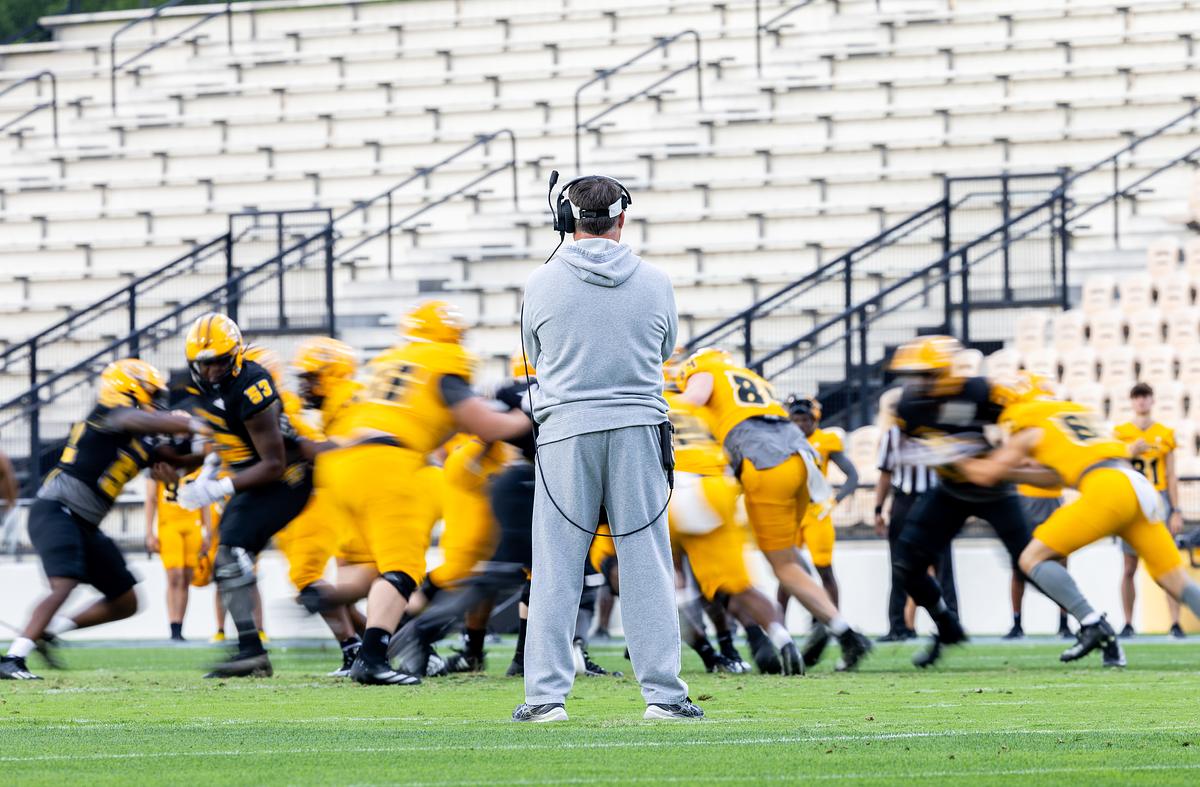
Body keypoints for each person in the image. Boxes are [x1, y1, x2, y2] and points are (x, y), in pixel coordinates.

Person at [515, 174, 699, 723]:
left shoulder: (539, 282)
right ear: (622, 219)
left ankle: (545, 698)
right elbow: (666, 347)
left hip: (566, 431)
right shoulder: (656, 280)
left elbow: (535, 351)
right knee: (646, 564)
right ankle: (664, 696)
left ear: (565, 221)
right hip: (639, 428)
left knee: (555, 568)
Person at [323, 300, 529, 686]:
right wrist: (531, 411)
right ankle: (375, 654)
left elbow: (438, 424)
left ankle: (342, 604)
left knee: (384, 565)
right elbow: (488, 426)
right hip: (389, 462)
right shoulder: (443, 361)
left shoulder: (390, 362)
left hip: (342, 461)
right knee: (402, 569)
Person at [886, 336, 1110, 668]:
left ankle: (1092, 621)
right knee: (907, 564)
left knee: (1031, 564)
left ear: (943, 372)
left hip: (994, 488)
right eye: (913, 376)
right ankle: (946, 625)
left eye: (924, 375)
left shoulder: (980, 391)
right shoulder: (908, 407)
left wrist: (1008, 453)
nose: (916, 384)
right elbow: (914, 445)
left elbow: (1030, 419)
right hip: (950, 489)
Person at [955, 391, 1200, 664]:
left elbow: (985, 474)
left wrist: (948, 459)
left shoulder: (1030, 429)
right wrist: (1009, 471)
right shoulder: (1070, 416)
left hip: (1107, 490)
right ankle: (1099, 630)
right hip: (1138, 486)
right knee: (1177, 581)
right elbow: (1056, 478)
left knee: (1030, 558)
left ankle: (1093, 623)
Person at [1, 359, 207, 680]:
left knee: (126, 600)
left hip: (84, 523)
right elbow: (135, 419)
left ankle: (48, 631)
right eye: (151, 394)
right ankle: (13, 658)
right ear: (130, 389)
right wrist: (190, 424)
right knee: (64, 583)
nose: (156, 402)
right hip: (57, 510)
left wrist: (215, 449)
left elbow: (178, 462)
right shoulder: (108, 413)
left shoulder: (141, 436)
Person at [676, 348, 873, 674]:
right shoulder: (750, 378)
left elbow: (692, 401)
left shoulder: (704, 372)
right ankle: (841, 630)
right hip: (801, 457)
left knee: (781, 564)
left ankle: (837, 630)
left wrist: (663, 406)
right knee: (789, 559)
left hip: (765, 458)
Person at [177, 313, 316, 679]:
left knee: (232, 553)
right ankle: (251, 652)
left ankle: (253, 651)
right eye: (203, 365)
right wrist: (205, 469)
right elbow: (227, 438)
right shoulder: (205, 388)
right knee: (227, 555)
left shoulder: (252, 385)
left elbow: (272, 462)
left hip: (287, 478)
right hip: (254, 478)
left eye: (219, 363)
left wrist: (217, 488)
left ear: (235, 356)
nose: (210, 372)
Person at [872, 388, 955, 642]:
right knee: (900, 565)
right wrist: (878, 509)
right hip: (906, 501)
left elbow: (952, 471)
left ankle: (949, 624)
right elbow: (885, 474)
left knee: (942, 565)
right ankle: (899, 626)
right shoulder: (893, 436)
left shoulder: (938, 433)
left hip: (933, 500)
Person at [1113, 383, 1186, 639]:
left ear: (1152, 400)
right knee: (1129, 566)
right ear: (1132, 401)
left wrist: (1176, 510)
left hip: (1159, 501)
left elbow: (1171, 474)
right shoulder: (1121, 433)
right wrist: (1128, 451)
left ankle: (1175, 623)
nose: (1141, 401)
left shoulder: (1165, 433)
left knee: (1168, 565)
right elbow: (1115, 469)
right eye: (1137, 397)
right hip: (1133, 502)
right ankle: (1128, 623)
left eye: (1145, 396)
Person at [782, 396, 858, 608]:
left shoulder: (825, 441)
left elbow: (852, 476)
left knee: (824, 569)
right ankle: (779, 629)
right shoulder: (782, 440)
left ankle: (838, 625)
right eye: (796, 419)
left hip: (816, 512)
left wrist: (835, 501)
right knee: (786, 571)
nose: (800, 424)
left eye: (805, 419)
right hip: (790, 512)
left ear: (814, 419)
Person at [145, 471, 214, 641]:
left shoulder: (196, 465)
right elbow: (151, 498)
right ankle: (173, 624)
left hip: (193, 525)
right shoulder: (160, 466)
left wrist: (209, 533)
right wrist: (149, 532)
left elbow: (204, 499)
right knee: (174, 575)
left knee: (186, 578)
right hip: (169, 525)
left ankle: (179, 626)